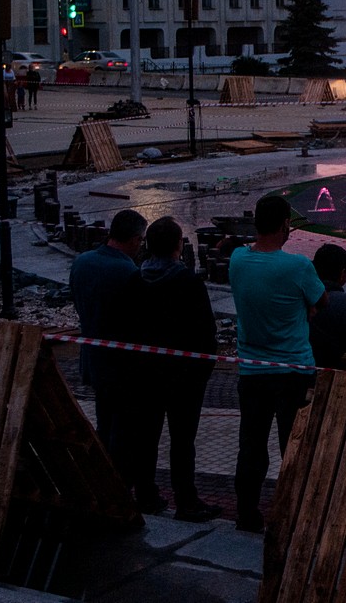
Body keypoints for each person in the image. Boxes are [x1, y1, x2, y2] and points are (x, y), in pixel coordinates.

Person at [229, 195, 327, 533]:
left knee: (251, 446)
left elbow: (245, 248)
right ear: (286, 225)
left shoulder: (238, 260)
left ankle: (247, 513)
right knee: (295, 447)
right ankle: (294, 514)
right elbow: (321, 301)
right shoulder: (298, 266)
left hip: (253, 372)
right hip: (293, 372)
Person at [120, 217, 222, 523]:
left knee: (146, 436)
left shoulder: (136, 279)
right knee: (182, 441)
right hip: (184, 376)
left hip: (146, 372)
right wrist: (204, 366)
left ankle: (146, 494)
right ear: (179, 245)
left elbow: (129, 328)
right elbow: (205, 329)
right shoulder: (187, 282)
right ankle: (186, 500)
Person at [70, 210, 147, 498]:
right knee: (125, 431)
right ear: (136, 239)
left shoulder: (81, 263)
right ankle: (118, 487)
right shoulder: (128, 273)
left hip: (93, 360)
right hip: (124, 368)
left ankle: (103, 480)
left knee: (105, 424)